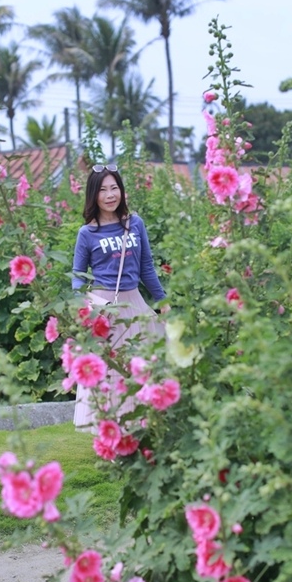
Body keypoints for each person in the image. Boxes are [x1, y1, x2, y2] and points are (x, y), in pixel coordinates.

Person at [71, 163, 168, 431]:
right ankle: (113, 433)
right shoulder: (87, 233)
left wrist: (162, 302)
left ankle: (142, 430)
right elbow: (78, 274)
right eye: (103, 190)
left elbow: (146, 267)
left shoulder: (134, 224)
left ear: (122, 191)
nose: (110, 195)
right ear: (94, 195)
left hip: (134, 302)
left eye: (114, 188)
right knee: (111, 371)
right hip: (105, 308)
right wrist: (81, 306)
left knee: (144, 365)